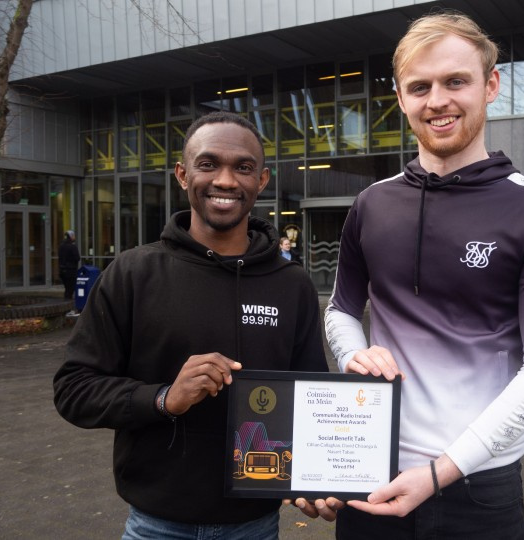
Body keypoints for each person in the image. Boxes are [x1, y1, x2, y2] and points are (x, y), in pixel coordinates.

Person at [295, 12, 524, 538]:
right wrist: (355, 354)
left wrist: (439, 471)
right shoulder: (371, 204)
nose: (437, 100)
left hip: (476, 483)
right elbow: (340, 310)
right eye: (419, 87)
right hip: (367, 468)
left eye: (456, 81)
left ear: (490, 85)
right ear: (401, 99)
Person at [53, 111, 328, 539]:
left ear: (262, 181)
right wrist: (164, 398)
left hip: (255, 527)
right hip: (156, 525)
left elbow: (313, 399)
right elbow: (74, 389)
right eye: (208, 164)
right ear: (182, 174)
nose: (225, 180)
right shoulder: (133, 273)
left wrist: (317, 479)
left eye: (243, 168)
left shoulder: (291, 285)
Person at [57, 230, 80, 300]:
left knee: (67, 288)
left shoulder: (61, 246)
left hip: (62, 271)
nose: (74, 237)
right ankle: (68, 305)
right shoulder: (72, 247)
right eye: (73, 236)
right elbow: (77, 258)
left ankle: (66, 303)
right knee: (70, 289)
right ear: (71, 236)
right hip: (71, 271)